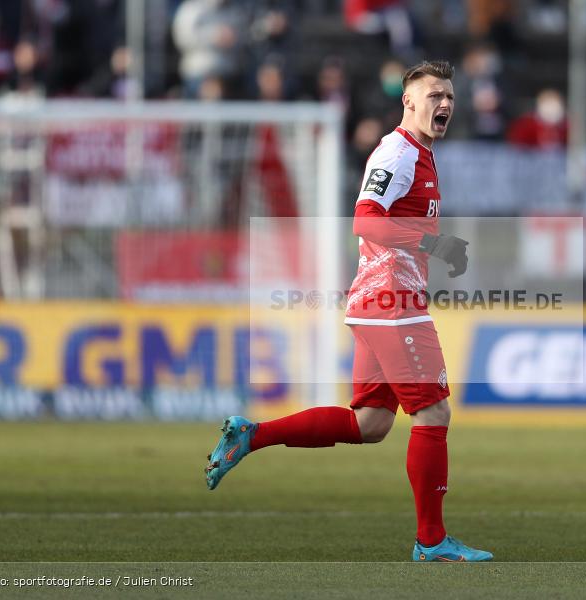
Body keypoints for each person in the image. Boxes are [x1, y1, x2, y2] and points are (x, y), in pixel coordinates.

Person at [204, 60, 493, 563]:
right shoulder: (398, 151)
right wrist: (436, 242)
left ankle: (253, 435)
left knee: (371, 424)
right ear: (407, 101)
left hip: (375, 303)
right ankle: (431, 541)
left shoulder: (421, 153)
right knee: (434, 412)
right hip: (392, 303)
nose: (443, 103)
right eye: (432, 95)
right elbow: (364, 221)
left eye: (448, 95)